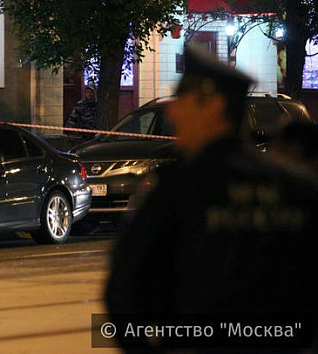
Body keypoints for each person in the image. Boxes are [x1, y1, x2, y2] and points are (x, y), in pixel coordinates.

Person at [104, 47, 318, 352]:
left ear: (214, 106)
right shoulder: (296, 185)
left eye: (184, 102)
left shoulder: (177, 189)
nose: (174, 113)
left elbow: (125, 289)